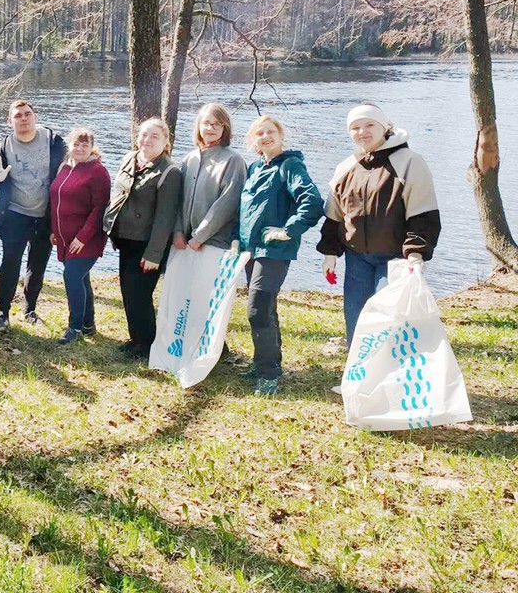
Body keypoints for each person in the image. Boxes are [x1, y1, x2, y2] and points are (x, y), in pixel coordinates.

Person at [317, 102, 440, 344]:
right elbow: (335, 216)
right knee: (357, 318)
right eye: (355, 127)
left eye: (369, 124)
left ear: (385, 126)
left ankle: (387, 377)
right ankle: (357, 379)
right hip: (356, 259)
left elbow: (422, 212)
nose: (362, 131)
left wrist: (416, 254)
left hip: (393, 258)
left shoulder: (409, 162)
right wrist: (330, 253)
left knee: (387, 321)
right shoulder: (345, 168)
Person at [237, 116, 323, 396]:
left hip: (273, 250)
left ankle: (269, 375)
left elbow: (312, 202)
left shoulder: (290, 165)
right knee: (266, 307)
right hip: (251, 250)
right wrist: (236, 242)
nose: (265, 136)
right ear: (253, 140)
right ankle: (266, 363)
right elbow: (246, 211)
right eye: (259, 133)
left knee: (257, 307)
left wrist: (289, 230)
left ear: (280, 135)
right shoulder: (254, 168)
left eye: (270, 131)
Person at [0, 99, 67, 331]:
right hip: (15, 215)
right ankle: (3, 311)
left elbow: (69, 175)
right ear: (10, 121)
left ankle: (29, 309)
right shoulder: (3, 146)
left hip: (45, 215)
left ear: (35, 116)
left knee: (37, 265)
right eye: (17, 116)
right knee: (10, 262)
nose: (23, 119)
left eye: (27, 114)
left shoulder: (54, 141)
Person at [102, 118, 181, 356]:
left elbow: (165, 218)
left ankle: (146, 345)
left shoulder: (169, 171)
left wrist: (154, 254)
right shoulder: (130, 158)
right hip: (126, 238)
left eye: (155, 136)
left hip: (147, 243)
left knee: (140, 294)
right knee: (128, 290)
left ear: (166, 142)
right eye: (144, 135)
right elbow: (118, 195)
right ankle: (135, 338)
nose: (147, 140)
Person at [175, 103, 247, 360]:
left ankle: (215, 350)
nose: (210, 128)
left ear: (225, 128)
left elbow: (227, 204)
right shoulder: (189, 159)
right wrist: (179, 233)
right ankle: (187, 344)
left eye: (216, 124)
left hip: (213, 241)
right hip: (185, 241)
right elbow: (178, 199)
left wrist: (200, 236)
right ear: (199, 127)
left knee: (208, 297)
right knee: (186, 295)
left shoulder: (233, 160)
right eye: (206, 123)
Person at [50, 128, 111, 345]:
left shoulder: (97, 172)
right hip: (65, 238)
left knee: (72, 276)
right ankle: (88, 325)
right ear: (70, 145)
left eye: (85, 145)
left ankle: (74, 327)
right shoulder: (66, 167)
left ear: (92, 147)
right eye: (76, 144)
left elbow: (99, 208)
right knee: (81, 278)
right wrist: (53, 231)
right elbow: (57, 200)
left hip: (86, 238)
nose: (80, 148)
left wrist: (83, 237)